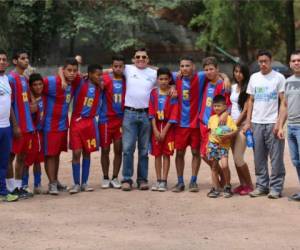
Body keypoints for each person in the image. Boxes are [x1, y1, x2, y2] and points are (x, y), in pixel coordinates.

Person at [243, 49, 285, 199]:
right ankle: (261, 186)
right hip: (256, 123)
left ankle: (276, 188)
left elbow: (283, 102)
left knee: (276, 158)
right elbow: (251, 101)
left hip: (272, 123)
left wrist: (279, 123)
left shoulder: (279, 78)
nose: (263, 64)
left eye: (265, 61)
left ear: (271, 61)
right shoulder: (254, 78)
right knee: (259, 157)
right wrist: (248, 122)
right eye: (260, 61)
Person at [121, 48, 157, 191]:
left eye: (144, 57)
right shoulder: (127, 69)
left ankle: (142, 180)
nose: (140, 59)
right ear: (133, 59)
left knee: (143, 149)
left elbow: (171, 76)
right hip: (129, 113)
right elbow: (110, 70)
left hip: (146, 114)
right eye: (138, 57)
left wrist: (224, 75)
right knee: (128, 148)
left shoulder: (154, 73)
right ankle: (127, 179)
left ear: (148, 59)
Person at [43, 58, 80, 195]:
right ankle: (51, 183)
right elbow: (33, 86)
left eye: (74, 71)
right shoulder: (52, 81)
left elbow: (92, 73)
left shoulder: (74, 82)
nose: (72, 73)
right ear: (63, 70)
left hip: (63, 125)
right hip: (49, 125)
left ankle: (55, 180)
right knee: (50, 155)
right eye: (69, 70)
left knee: (56, 154)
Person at [172, 57, 206, 192]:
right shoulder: (175, 77)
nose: (184, 68)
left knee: (195, 152)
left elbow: (217, 73)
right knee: (179, 153)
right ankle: (180, 182)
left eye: (187, 66)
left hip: (195, 124)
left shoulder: (201, 76)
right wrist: (173, 85)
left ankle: (193, 181)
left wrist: (226, 79)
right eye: (182, 66)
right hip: (180, 124)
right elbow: (158, 71)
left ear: (193, 67)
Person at [198, 57, 231, 193]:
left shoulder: (222, 84)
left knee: (210, 155)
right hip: (203, 124)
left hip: (215, 126)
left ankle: (218, 185)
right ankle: (222, 179)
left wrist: (225, 113)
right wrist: (225, 75)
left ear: (217, 69)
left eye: (211, 69)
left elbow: (228, 104)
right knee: (205, 155)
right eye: (206, 70)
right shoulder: (205, 81)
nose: (208, 72)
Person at [68, 64, 102, 194]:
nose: (100, 77)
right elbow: (66, 69)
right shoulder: (80, 82)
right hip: (77, 121)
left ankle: (85, 183)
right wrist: (80, 68)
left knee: (87, 152)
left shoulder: (100, 86)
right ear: (90, 74)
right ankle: (76, 183)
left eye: (100, 75)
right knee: (76, 152)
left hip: (90, 122)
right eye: (97, 75)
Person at [7, 50, 34, 199]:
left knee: (22, 157)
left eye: (27, 57)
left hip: (27, 125)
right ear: (15, 61)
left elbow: (28, 101)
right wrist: (15, 125)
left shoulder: (24, 78)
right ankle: (10, 188)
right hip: (17, 125)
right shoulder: (11, 79)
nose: (26, 60)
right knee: (10, 157)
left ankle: (18, 186)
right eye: (22, 58)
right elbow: (8, 105)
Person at [149, 67, 178, 192]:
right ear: (157, 80)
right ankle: (158, 179)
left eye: (166, 79)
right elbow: (151, 113)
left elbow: (173, 114)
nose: (163, 81)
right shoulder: (154, 93)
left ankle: (164, 181)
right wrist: (155, 130)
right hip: (156, 126)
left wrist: (164, 130)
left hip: (168, 128)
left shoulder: (173, 94)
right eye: (161, 79)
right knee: (157, 155)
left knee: (166, 154)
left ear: (170, 79)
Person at [99, 55, 125, 189]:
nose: (118, 68)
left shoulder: (127, 80)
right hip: (105, 120)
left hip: (120, 121)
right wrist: (107, 71)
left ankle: (115, 177)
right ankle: (105, 177)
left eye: (120, 66)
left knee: (118, 149)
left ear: (124, 67)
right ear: (112, 66)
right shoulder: (104, 79)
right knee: (105, 149)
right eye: (115, 66)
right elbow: (93, 74)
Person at [278, 49, 300, 201]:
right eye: (294, 61)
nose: (297, 63)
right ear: (290, 63)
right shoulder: (287, 81)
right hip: (291, 126)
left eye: (299, 60)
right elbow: (284, 105)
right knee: (296, 161)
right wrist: (280, 126)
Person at [207, 95, 237, 198]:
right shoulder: (212, 118)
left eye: (219, 106)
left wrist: (228, 135)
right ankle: (215, 188)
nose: (216, 108)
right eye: (214, 106)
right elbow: (211, 132)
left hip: (224, 145)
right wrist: (209, 145)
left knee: (224, 166)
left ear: (225, 106)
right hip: (213, 145)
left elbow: (235, 130)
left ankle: (227, 186)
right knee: (214, 167)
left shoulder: (229, 119)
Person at [230, 63, 253, 195]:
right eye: (236, 71)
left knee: (239, 157)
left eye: (240, 72)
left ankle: (249, 185)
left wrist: (234, 125)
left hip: (241, 127)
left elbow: (245, 110)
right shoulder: (233, 87)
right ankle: (242, 184)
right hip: (232, 125)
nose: (237, 74)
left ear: (245, 74)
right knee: (234, 158)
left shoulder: (248, 88)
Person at [0, 49, 18, 202]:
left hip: (6, 127)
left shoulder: (6, 79)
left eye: (4, 59)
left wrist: (15, 124)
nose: (2, 62)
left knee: (4, 161)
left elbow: (9, 105)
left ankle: (3, 192)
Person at [22, 73, 45, 194]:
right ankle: (24, 184)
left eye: (40, 84)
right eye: (35, 85)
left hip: (40, 134)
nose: (38, 87)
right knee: (26, 160)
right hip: (30, 134)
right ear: (30, 87)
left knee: (37, 160)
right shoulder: (28, 101)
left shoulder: (44, 96)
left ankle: (37, 184)